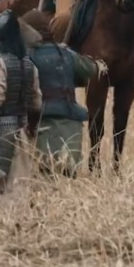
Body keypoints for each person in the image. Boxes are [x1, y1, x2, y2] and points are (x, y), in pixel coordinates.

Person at [19, 9, 105, 177]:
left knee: (43, 179)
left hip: (40, 127)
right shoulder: (66, 54)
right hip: (70, 126)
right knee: (67, 178)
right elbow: (92, 70)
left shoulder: (25, 58)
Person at [0, 9, 42, 194]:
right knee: (18, 185)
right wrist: (32, 129)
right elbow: (36, 103)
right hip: (24, 129)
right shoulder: (29, 63)